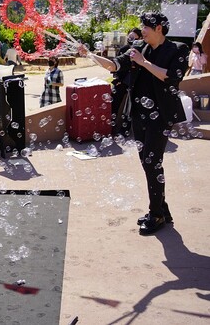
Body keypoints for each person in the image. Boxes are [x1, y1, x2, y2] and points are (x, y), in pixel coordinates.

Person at [81, 12, 188, 235]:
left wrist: (143, 62)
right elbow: (114, 66)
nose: (142, 30)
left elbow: (172, 77)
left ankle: (156, 214)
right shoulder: (138, 47)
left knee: (152, 162)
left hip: (161, 116)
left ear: (158, 28)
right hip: (139, 114)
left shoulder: (177, 49)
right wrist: (90, 55)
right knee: (147, 162)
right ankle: (162, 209)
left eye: (146, 27)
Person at [110, 28, 142, 135]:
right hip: (121, 81)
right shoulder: (124, 49)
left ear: (140, 38)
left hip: (134, 82)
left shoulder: (142, 50)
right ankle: (111, 128)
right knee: (113, 103)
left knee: (129, 106)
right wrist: (118, 79)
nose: (131, 40)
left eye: (134, 38)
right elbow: (116, 65)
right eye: (130, 37)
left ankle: (125, 130)